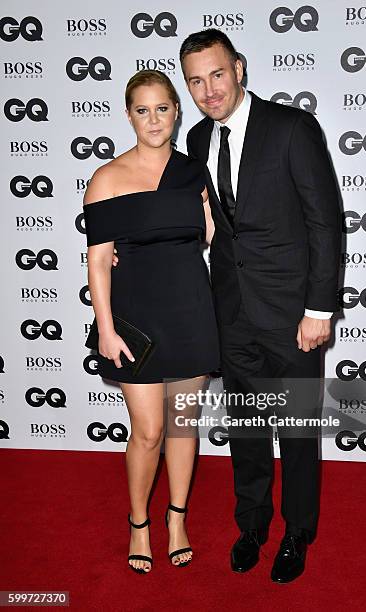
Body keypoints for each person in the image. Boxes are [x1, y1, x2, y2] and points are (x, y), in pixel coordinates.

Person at [179, 29, 342, 583]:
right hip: (233, 314)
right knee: (246, 428)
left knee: (296, 430)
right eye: (196, 81)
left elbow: (325, 222)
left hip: (293, 316)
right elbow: (209, 227)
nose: (208, 90)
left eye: (217, 74)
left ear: (240, 69)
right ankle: (251, 524)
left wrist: (319, 309)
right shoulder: (198, 141)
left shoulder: (292, 128)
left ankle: (298, 532)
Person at [83, 69, 220, 574]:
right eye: (143, 110)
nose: (154, 119)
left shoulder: (194, 173)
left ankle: (176, 519)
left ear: (176, 111)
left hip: (190, 309)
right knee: (147, 430)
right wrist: (106, 328)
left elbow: (207, 236)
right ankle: (138, 522)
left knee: (183, 426)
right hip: (136, 316)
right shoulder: (106, 179)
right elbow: (98, 262)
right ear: (129, 115)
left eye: (163, 108)